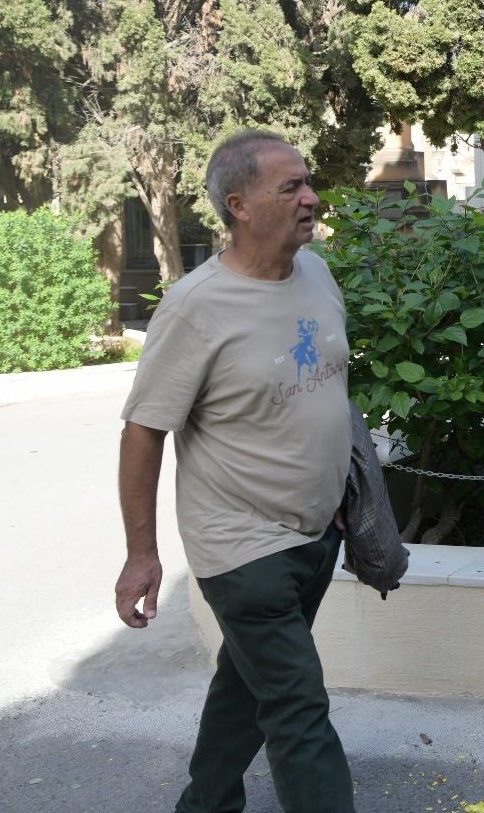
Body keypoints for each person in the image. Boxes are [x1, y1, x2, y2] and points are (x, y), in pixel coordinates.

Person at [113, 129, 356, 813]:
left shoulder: (316, 273)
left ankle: (207, 805)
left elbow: (326, 390)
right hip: (242, 549)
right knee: (298, 710)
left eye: (308, 183)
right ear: (239, 204)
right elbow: (143, 430)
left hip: (315, 534)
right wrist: (141, 554)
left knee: (247, 685)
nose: (310, 198)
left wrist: (341, 491)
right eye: (291, 188)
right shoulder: (196, 306)